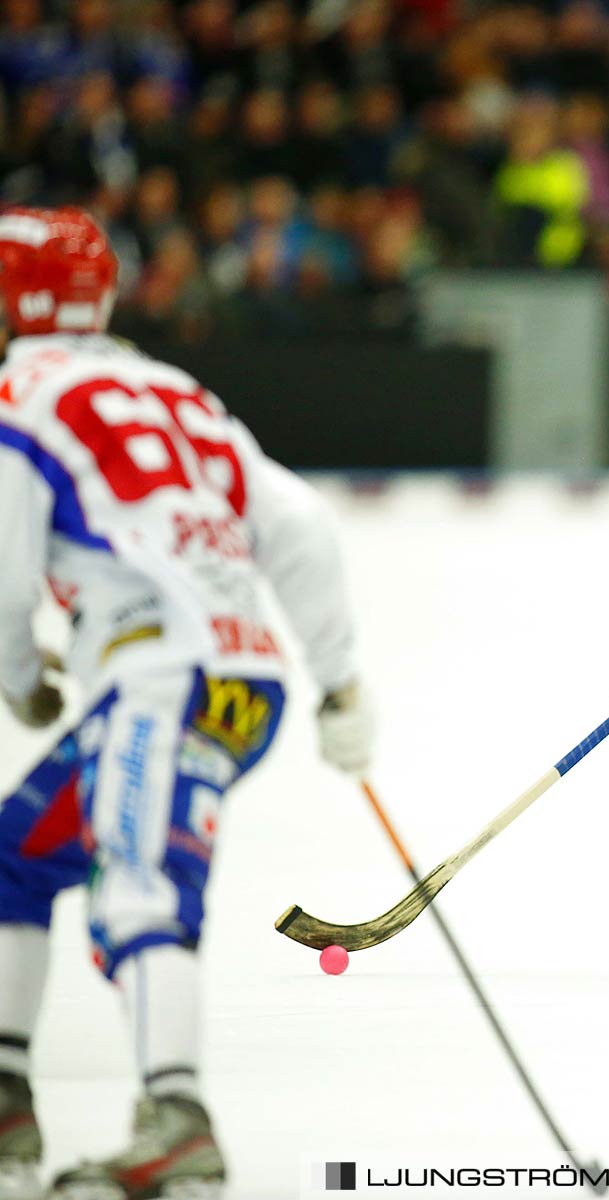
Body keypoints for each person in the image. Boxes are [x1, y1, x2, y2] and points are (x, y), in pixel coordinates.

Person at [0, 208, 374, 1198]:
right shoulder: (175, 388)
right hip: (243, 683)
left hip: (157, 678)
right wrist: (337, 681)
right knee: (19, 852)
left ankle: (177, 1120)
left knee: (138, 879)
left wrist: (20, 678)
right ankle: (6, 1097)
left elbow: (3, 568)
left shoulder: (21, 394)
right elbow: (296, 523)